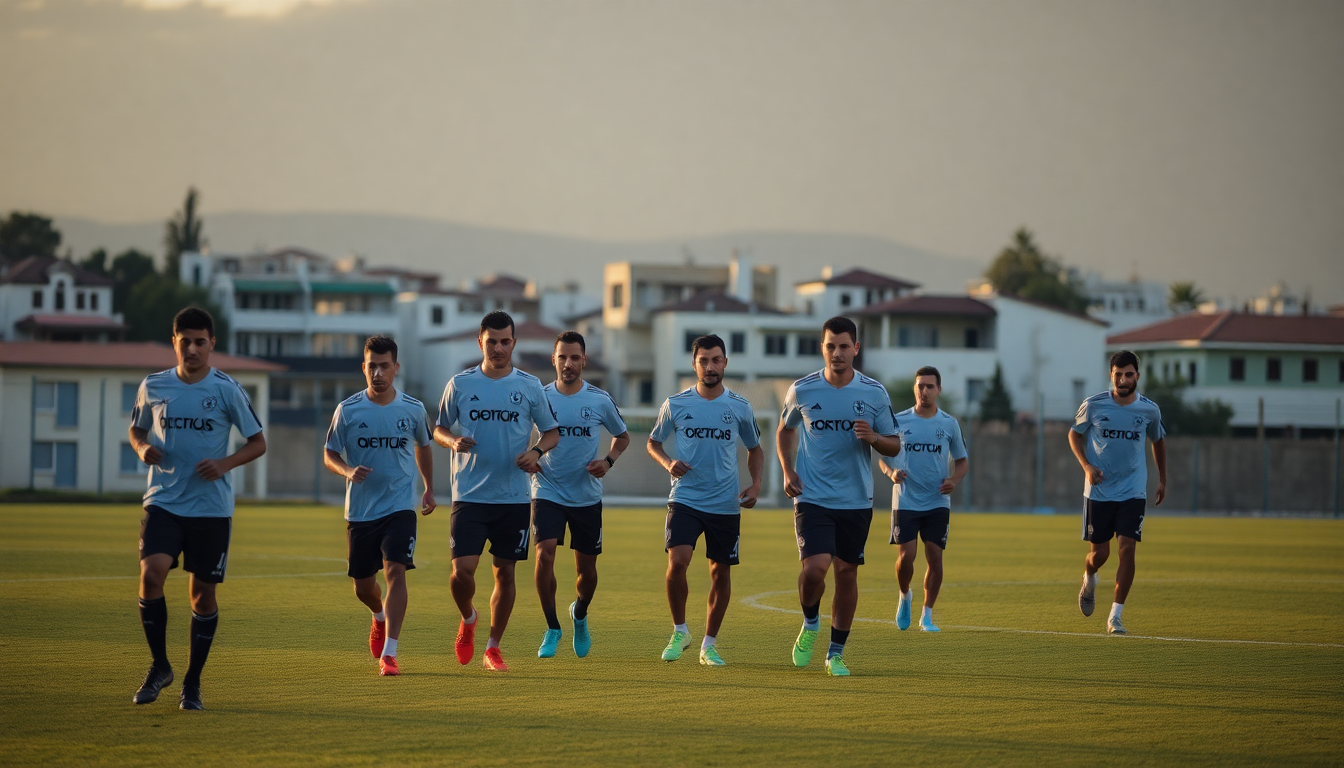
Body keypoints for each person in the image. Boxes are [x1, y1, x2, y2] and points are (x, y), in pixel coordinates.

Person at [129, 307, 267, 711]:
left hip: (211, 509)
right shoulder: (153, 386)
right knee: (150, 575)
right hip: (164, 502)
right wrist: (141, 447)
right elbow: (136, 428)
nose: (192, 348)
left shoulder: (227, 389)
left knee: (201, 596)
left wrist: (224, 464)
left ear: (212, 345)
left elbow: (257, 442)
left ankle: (192, 683)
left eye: (200, 342)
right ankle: (159, 667)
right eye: (184, 341)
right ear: (174, 342)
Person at [435, 311, 560, 671]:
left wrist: (536, 451)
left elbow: (551, 432)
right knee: (462, 573)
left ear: (514, 344)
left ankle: (493, 647)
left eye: (506, 341)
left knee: (505, 573)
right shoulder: (460, 383)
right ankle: (469, 618)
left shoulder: (530, 385)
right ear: (480, 343)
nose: (499, 348)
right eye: (492, 341)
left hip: (514, 498)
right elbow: (439, 428)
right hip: (470, 495)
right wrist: (453, 440)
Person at [778, 316, 900, 676]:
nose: (837, 353)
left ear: (856, 349)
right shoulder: (802, 390)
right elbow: (785, 431)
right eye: (831, 346)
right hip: (812, 496)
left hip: (856, 500)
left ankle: (835, 653)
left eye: (844, 346)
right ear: (822, 348)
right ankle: (811, 621)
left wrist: (875, 439)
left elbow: (894, 444)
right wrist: (788, 470)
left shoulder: (874, 393)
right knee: (815, 570)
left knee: (847, 573)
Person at [323, 335, 436, 677]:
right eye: (372, 365)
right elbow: (329, 453)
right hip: (360, 510)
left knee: (396, 571)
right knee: (362, 585)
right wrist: (346, 470)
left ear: (396, 368)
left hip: (400, 505)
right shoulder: (348, 410)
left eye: (384, 365)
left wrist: (429, 488)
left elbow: (424, 446)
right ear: (364, 368)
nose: (378, 372)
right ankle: (378, 615)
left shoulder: (413, 409)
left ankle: (390, 652)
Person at [648, 334, 763, 666]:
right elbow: (653, 443)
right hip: (684, 498)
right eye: (704, 361)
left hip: (725, 503)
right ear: (694, 364)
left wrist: (755, 485)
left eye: (716, 360)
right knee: (677, 564)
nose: (710, 367)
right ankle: (680, 630)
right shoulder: (676, 403)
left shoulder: (739, 406)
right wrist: (669, 462)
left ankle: (708, 645)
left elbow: (755, 449)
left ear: (725, 362)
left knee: (720, 573)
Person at [529, 331, 630, 659]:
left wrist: (609, 461)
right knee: (544, 554)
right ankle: (552, 627)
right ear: (553, 359)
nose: (568, 364)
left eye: (575, 358)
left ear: (584, 360)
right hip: (547, 491)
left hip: (586, 496)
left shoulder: (599, 399)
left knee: (586, 573)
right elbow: (524, 433)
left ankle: (580, 614)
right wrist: (531, 456)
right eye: (562, 357)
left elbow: (623, 437)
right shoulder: (540, 397)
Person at [1069, 349, 1167, 635]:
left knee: (1127, 549)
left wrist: (1162, 478)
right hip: (1098, 491)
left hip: (1133, 490)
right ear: (1110, 376)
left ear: (1137, 375)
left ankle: (1115, 616)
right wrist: (1087, 466)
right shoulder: (1094, 405)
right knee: (1099, 554)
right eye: (1117, 375)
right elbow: (1074, 434)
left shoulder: (1149, 410)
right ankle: (1089, 578)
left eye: (1128, 374)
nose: (1123, 380)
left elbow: (1158, 440)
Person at [878, 366, 967, 633]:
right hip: (905, 500)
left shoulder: (948, 424)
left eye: (930, 386)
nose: (924, 391)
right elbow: (883, 455)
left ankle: (927, 616)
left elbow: (962, 462)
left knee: (935, 556)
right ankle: (905, 595)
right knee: (907, 557)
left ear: (939, 390)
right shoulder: (899, 420)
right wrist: (891, 472)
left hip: (937, 502)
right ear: (914, 388)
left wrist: (954, 479)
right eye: (920, 386)